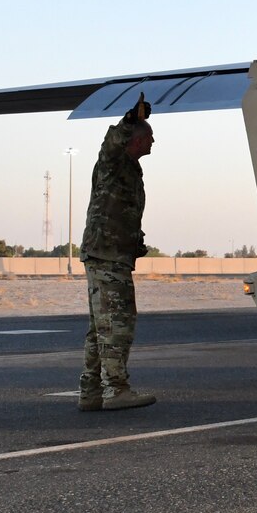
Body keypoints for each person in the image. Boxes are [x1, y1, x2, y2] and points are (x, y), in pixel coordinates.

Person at [77, 93, 156, 411]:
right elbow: (110, 143)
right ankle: (116, 390)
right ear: (135, 141)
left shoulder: (130, 170)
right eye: (149, 136)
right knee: (118, 323)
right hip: (107, 256)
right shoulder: (113, 161)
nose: (154, 141)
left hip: (111, 254)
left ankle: (91, 391)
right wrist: (130, 121)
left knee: (101, 326)